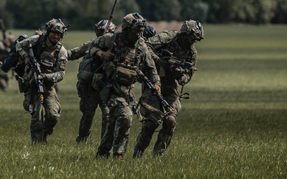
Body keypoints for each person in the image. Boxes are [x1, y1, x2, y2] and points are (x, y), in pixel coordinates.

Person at [132, 20, 204, 158]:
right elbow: (145, 45)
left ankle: (158, 156)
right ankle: (138, 151)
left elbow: (187, 77)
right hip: (153, 83)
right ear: (184, 34)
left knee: (170, 120)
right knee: (152, 121)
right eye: (190, 38)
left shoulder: (192, 53)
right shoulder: (168, 37)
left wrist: (179, 74)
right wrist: (160, 61)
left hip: (171, 87)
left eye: (195, 40)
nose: (192, 42)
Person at [91, 13, 158, 160]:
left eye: (140, 31)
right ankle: (118, 155)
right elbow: (92, 46)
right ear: (126, 29)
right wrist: (102, 54)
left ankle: (102, 154)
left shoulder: (141, 45)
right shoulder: (112, 39)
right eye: (135, 30)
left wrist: (156, 82)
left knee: (115, 121)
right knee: (126, 116)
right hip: (109, 87)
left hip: (126, 90)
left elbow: (151, 67)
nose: (138, 34)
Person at [15, 18, 69, 143]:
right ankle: (37, 143)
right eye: (53, 33)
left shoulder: (61, 51)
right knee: (36, 116)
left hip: (48, 85)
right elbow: (19, 45)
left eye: (58, 34)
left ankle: (45, 132)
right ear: (47, 31)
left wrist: (45, 77)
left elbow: (61, 74)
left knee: (53, 115)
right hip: (32, 84)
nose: (55, 36)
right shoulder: (36, 40)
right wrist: (26, 56)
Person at [66, 19, 117, 144]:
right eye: (98, 32)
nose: (100, 35)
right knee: (87, 115)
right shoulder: (92, 44)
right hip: (90, 87)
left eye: (103, 32)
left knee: (108, 115)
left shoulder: (117, 47)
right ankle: (82, 139)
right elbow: (73, 54)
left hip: (107, 86)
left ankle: (104, 143)